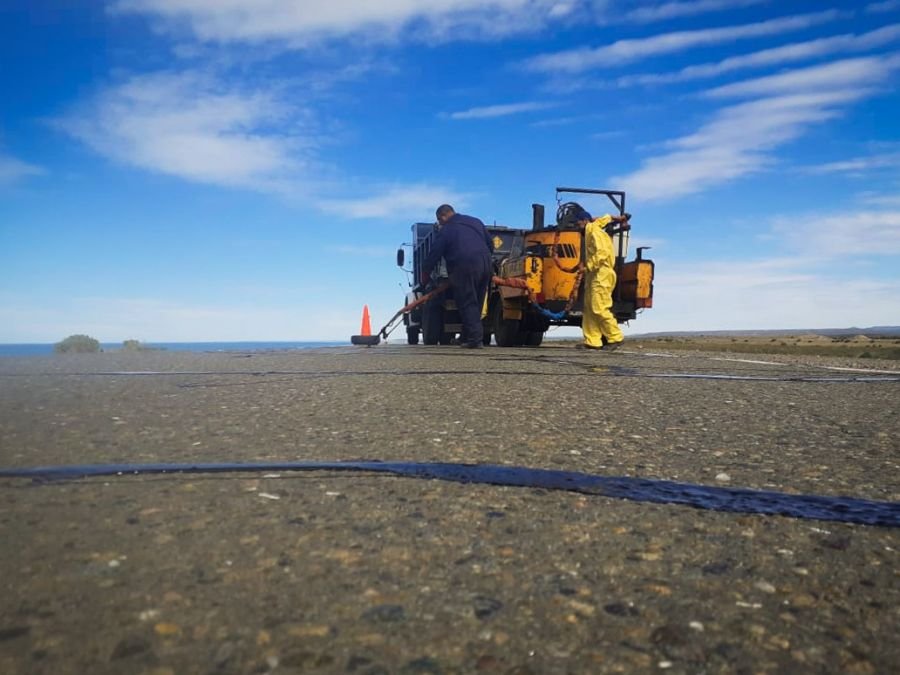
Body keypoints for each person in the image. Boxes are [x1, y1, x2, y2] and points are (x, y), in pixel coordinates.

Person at [421, 204, 494, 349]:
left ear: (442, 216)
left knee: (467, 302)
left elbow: (435, 253)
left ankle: (474, 340)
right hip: (486, 264)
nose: (440, 224)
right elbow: (490, 244)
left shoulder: (446, 230)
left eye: (439, 221)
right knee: (477, 301)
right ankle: (466, 337)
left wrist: (425, 272)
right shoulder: (476, 221)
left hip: (464, 266)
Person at [575, 207, 625, 351]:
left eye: (578, 224)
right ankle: (593, 341)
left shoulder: (594, 231)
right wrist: (615, 217)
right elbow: (604, 218)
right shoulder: (594, 227)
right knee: (589, 309)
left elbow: (602, 253)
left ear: (584, 221)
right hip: (594, 275)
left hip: (602, 274)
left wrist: (588, 266)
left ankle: (615, 337)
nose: (578, 228)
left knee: (599, 307)